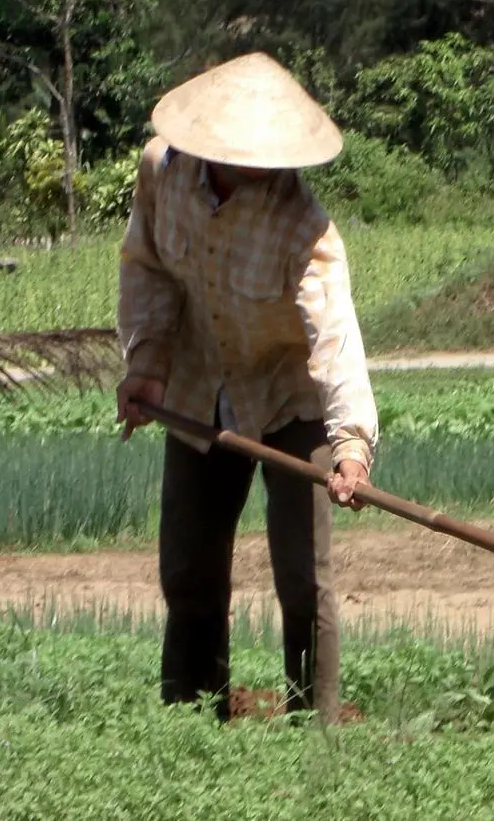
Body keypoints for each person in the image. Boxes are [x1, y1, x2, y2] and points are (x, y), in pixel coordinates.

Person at [114, 52, 379, 724]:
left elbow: (335, 337)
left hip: (288, 399)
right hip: (198, 387)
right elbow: (146, 266)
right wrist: (146, 364)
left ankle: (315, 724)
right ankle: (191, 715)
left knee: (304, 577)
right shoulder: (161, 172)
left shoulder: (303, 225)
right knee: (189, 570)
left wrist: (351, 445)